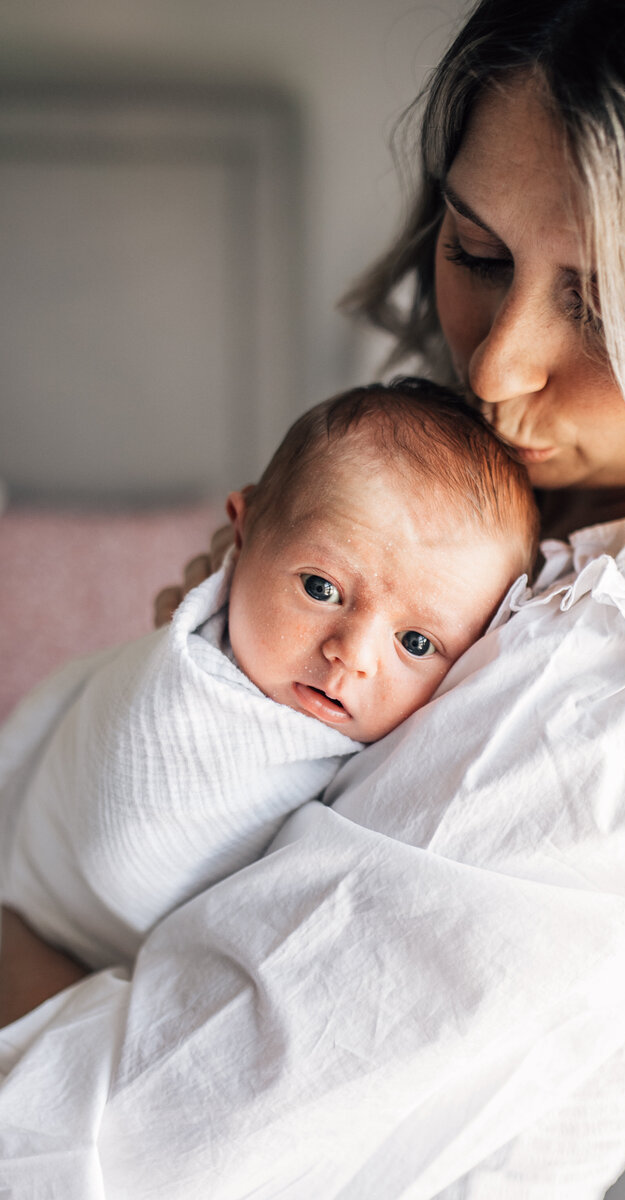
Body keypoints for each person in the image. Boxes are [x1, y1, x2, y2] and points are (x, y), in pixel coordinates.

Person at [2, 1, 625, 1197]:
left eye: (605, 303)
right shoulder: (544, 516)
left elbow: (112, 1152)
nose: (492, 367)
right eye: (477, 255)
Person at [0, 379, 537, 983]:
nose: (352, 655)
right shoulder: (186, 684)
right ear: (243, 529)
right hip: (43, 885)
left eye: (417, 643)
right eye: (320, 587)